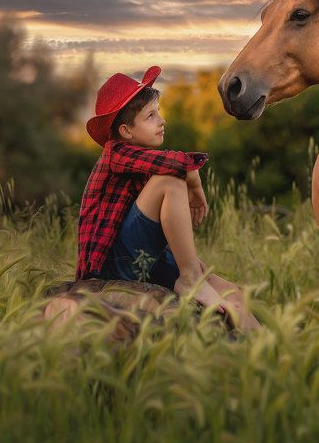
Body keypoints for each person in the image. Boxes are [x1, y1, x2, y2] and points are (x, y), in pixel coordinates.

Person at [77, 66, 259, 331]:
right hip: (111, 265)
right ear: (126, 131)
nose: (162, 121)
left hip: (145, 256)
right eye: (151, 115)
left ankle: (270, 349)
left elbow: (157, 228)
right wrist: (193, 181)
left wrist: (199, 265)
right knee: (170, 180)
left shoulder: (141, 164)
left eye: (158, 112)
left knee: (232, 293)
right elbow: (177, 165)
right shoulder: (115, 153)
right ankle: (190, 279)